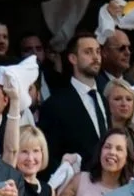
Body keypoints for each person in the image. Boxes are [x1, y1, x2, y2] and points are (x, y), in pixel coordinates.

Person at [41, 30, 115, 167]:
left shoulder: (104, 101)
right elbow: (49, 155)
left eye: (98, 52)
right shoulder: (55, 105)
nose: (96, 57)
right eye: (88, 52)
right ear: (73, 59)